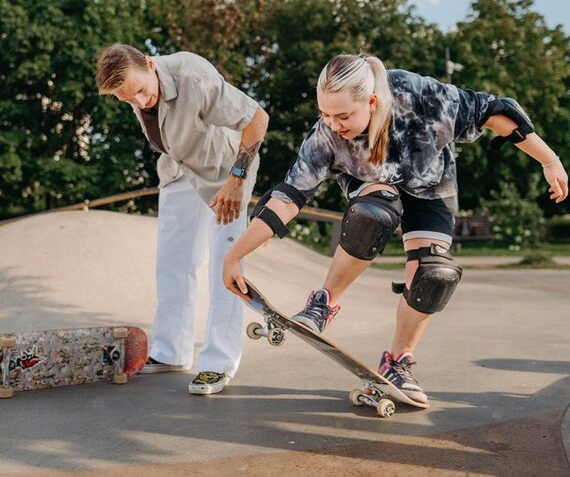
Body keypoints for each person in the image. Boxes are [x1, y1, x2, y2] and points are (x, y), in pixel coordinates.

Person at [223, 53, 567, 403]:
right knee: (374, 215)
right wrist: (235, 256)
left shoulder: (423, 98)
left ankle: (397, 363)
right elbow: (288, 197)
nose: (333, 124)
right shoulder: (324, 137)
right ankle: (323, 304)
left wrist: (549, 160)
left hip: (432, 185)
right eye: (324, 114)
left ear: (372, 102)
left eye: (342, 116)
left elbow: (498, 112)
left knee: (434, 275)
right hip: (371, 185)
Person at [96, 44, 268, 395]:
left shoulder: (193, 75)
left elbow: (257, 119)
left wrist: (237, 180)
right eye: (129, 99)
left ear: (149, 64)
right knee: (172, 263)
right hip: (178, 172)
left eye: (143, 91)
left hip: (224, 176)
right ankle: (171, 351)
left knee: (225, 266)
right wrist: (137, 96)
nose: (141, 102)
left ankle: (218, 364)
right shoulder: (135, 88)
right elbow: (153, 116)